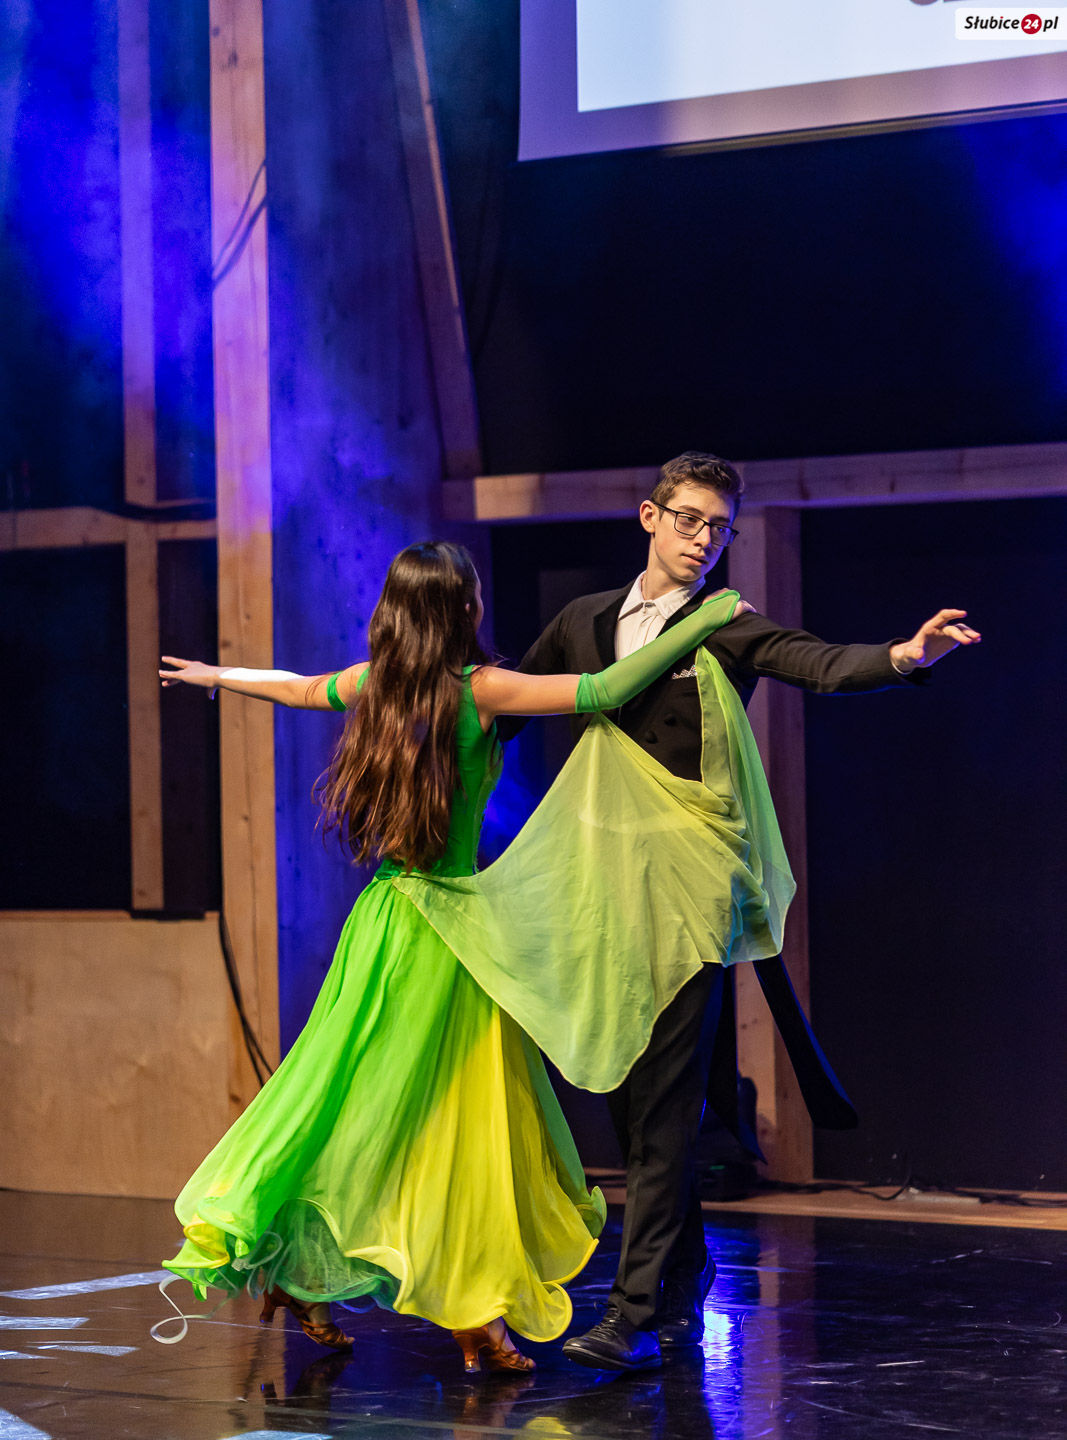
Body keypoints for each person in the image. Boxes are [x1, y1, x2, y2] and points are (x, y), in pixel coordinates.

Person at [157, 541, 752, 1371]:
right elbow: (604, 689)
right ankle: (472, 1313)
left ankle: (314, 1275)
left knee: (360, 1103)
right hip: (452, 934)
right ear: (463, 608)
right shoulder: (479, 690)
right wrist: (704, 620)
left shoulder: (375, 686)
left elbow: (295, 688)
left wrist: (219, 676)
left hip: (383, 923)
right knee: (465, 1120)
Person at [497, 450, 981, 1373]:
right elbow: (507, 707)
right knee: (630, 1109)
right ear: (649, 516)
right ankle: (683, 1281)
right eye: (688, 519)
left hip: (690, 894)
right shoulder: (583, 622)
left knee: (666, 1108)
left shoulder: (723, 624)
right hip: (604, 890)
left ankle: (633, 1313)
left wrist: (905, 656)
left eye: (718, 528)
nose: (703, 540)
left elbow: (816, 662)